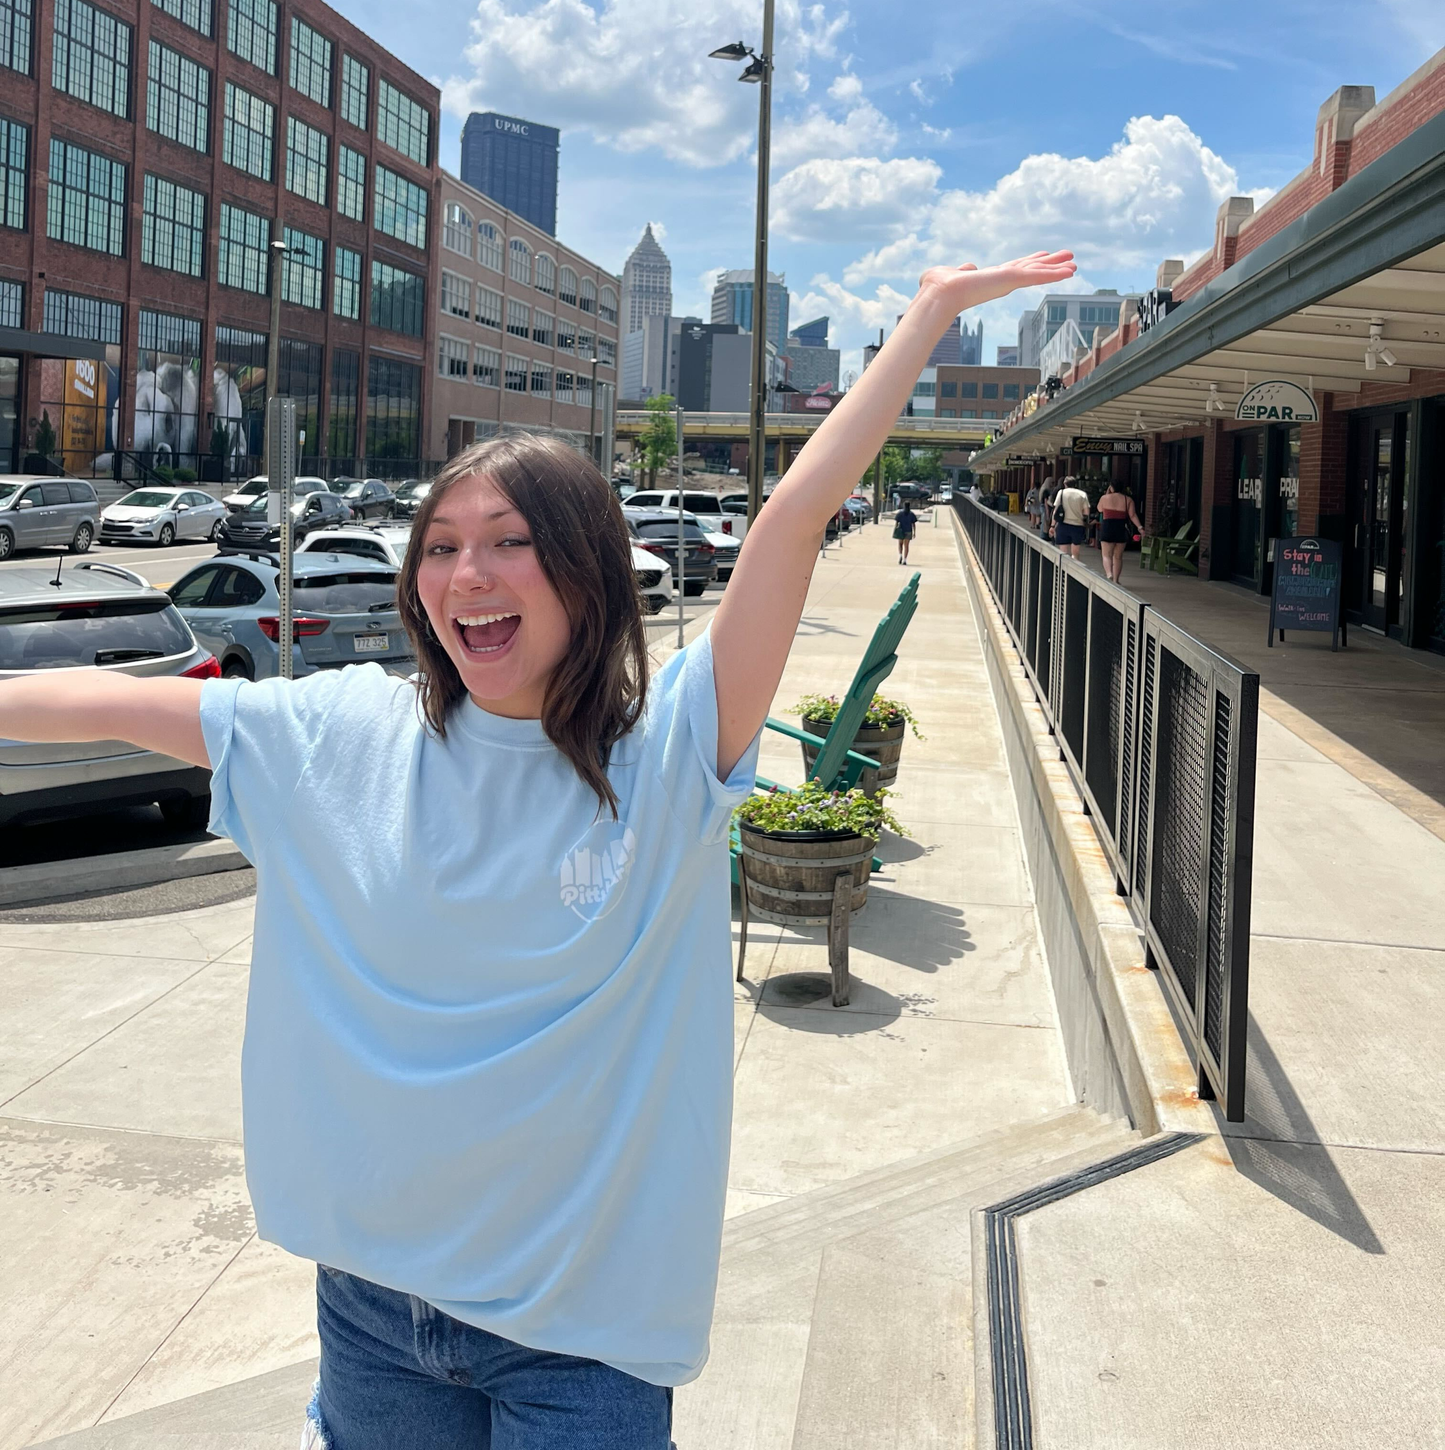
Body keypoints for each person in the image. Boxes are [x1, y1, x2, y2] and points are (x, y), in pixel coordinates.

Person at [1, 248, 1074, 1449]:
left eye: (507, 540)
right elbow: (107, 705)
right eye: (442, 545)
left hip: (583, 1340)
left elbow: (791, 517)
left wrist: (926, 316)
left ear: (585, 568)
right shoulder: (337, 730)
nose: (468, 573)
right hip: (371, 1309)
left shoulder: (665, 762)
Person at [1096, 479, 1141, 584]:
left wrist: (1107, 494)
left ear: (1111, 487)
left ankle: (1109, 574)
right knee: (1118, 556)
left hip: (1107, 527)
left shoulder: (1104, 498)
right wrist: (1140, 527)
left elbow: (1099, 509)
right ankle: (1116, 580)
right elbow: (1132, 515)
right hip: (1120, 528)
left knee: (1106, 554)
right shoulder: (1128, 500)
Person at [1053, 474, 1090, 561]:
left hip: (1063, 525)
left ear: (1065, 484)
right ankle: (1074, 567)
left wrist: (1052, 525)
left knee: (1063, 552)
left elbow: (1055, 510)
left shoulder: (1061, 493)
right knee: (1075, 552)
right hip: (1077, 525)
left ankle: (1062, 570)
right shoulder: (1082, 494)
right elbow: (1086, 512)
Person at [892, 497, 918, 565]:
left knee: (900, 544)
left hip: (901, 530)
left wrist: (895, 530)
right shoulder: (911, 514)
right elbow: (913, 524)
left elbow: (896, 522)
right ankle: (905, 560)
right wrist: (914, 532)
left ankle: (900, 555)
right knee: (906, 546)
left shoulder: (900, 513)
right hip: (908, 531)